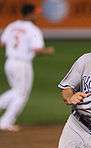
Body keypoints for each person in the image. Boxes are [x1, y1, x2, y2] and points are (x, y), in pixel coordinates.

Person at [0, 3, 54, 132]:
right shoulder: (33, 29)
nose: (37, 15)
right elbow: (37, 50)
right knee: (21, 94)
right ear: (30, 14)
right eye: (36, 13)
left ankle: (5, 121)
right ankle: (5, 122)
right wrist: (48, 51)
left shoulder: (12, 25)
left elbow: (2, 43)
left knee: (16, 91)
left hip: (10, 63)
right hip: (22, 64)